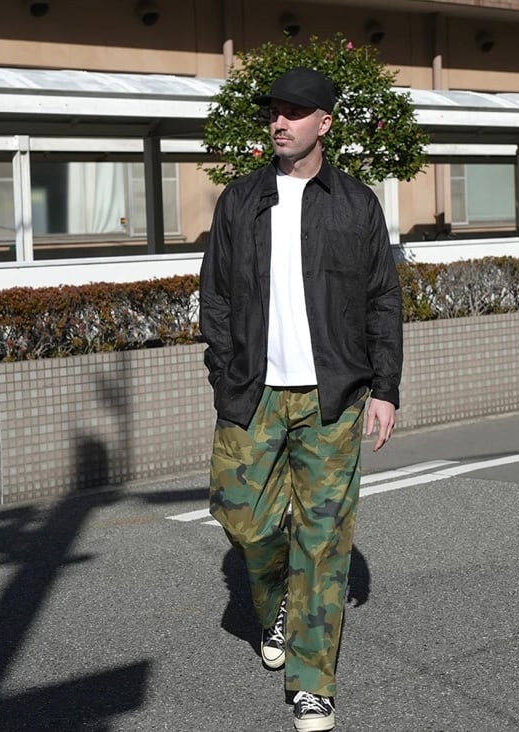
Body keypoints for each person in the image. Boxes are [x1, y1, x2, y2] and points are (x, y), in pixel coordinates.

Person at [199, 66, 403, 732]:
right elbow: (216, 296)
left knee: (323, 544)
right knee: (243, 519)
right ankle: (276, 605)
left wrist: (385, 389)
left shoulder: (356, 204)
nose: (279, 122)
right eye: (274, 112)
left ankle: (312, 685)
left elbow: (382, 299)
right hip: (252, 392)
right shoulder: (240, 201)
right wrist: (225, 372)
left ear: (325, 122)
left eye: (294, 111)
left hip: (332, 398)